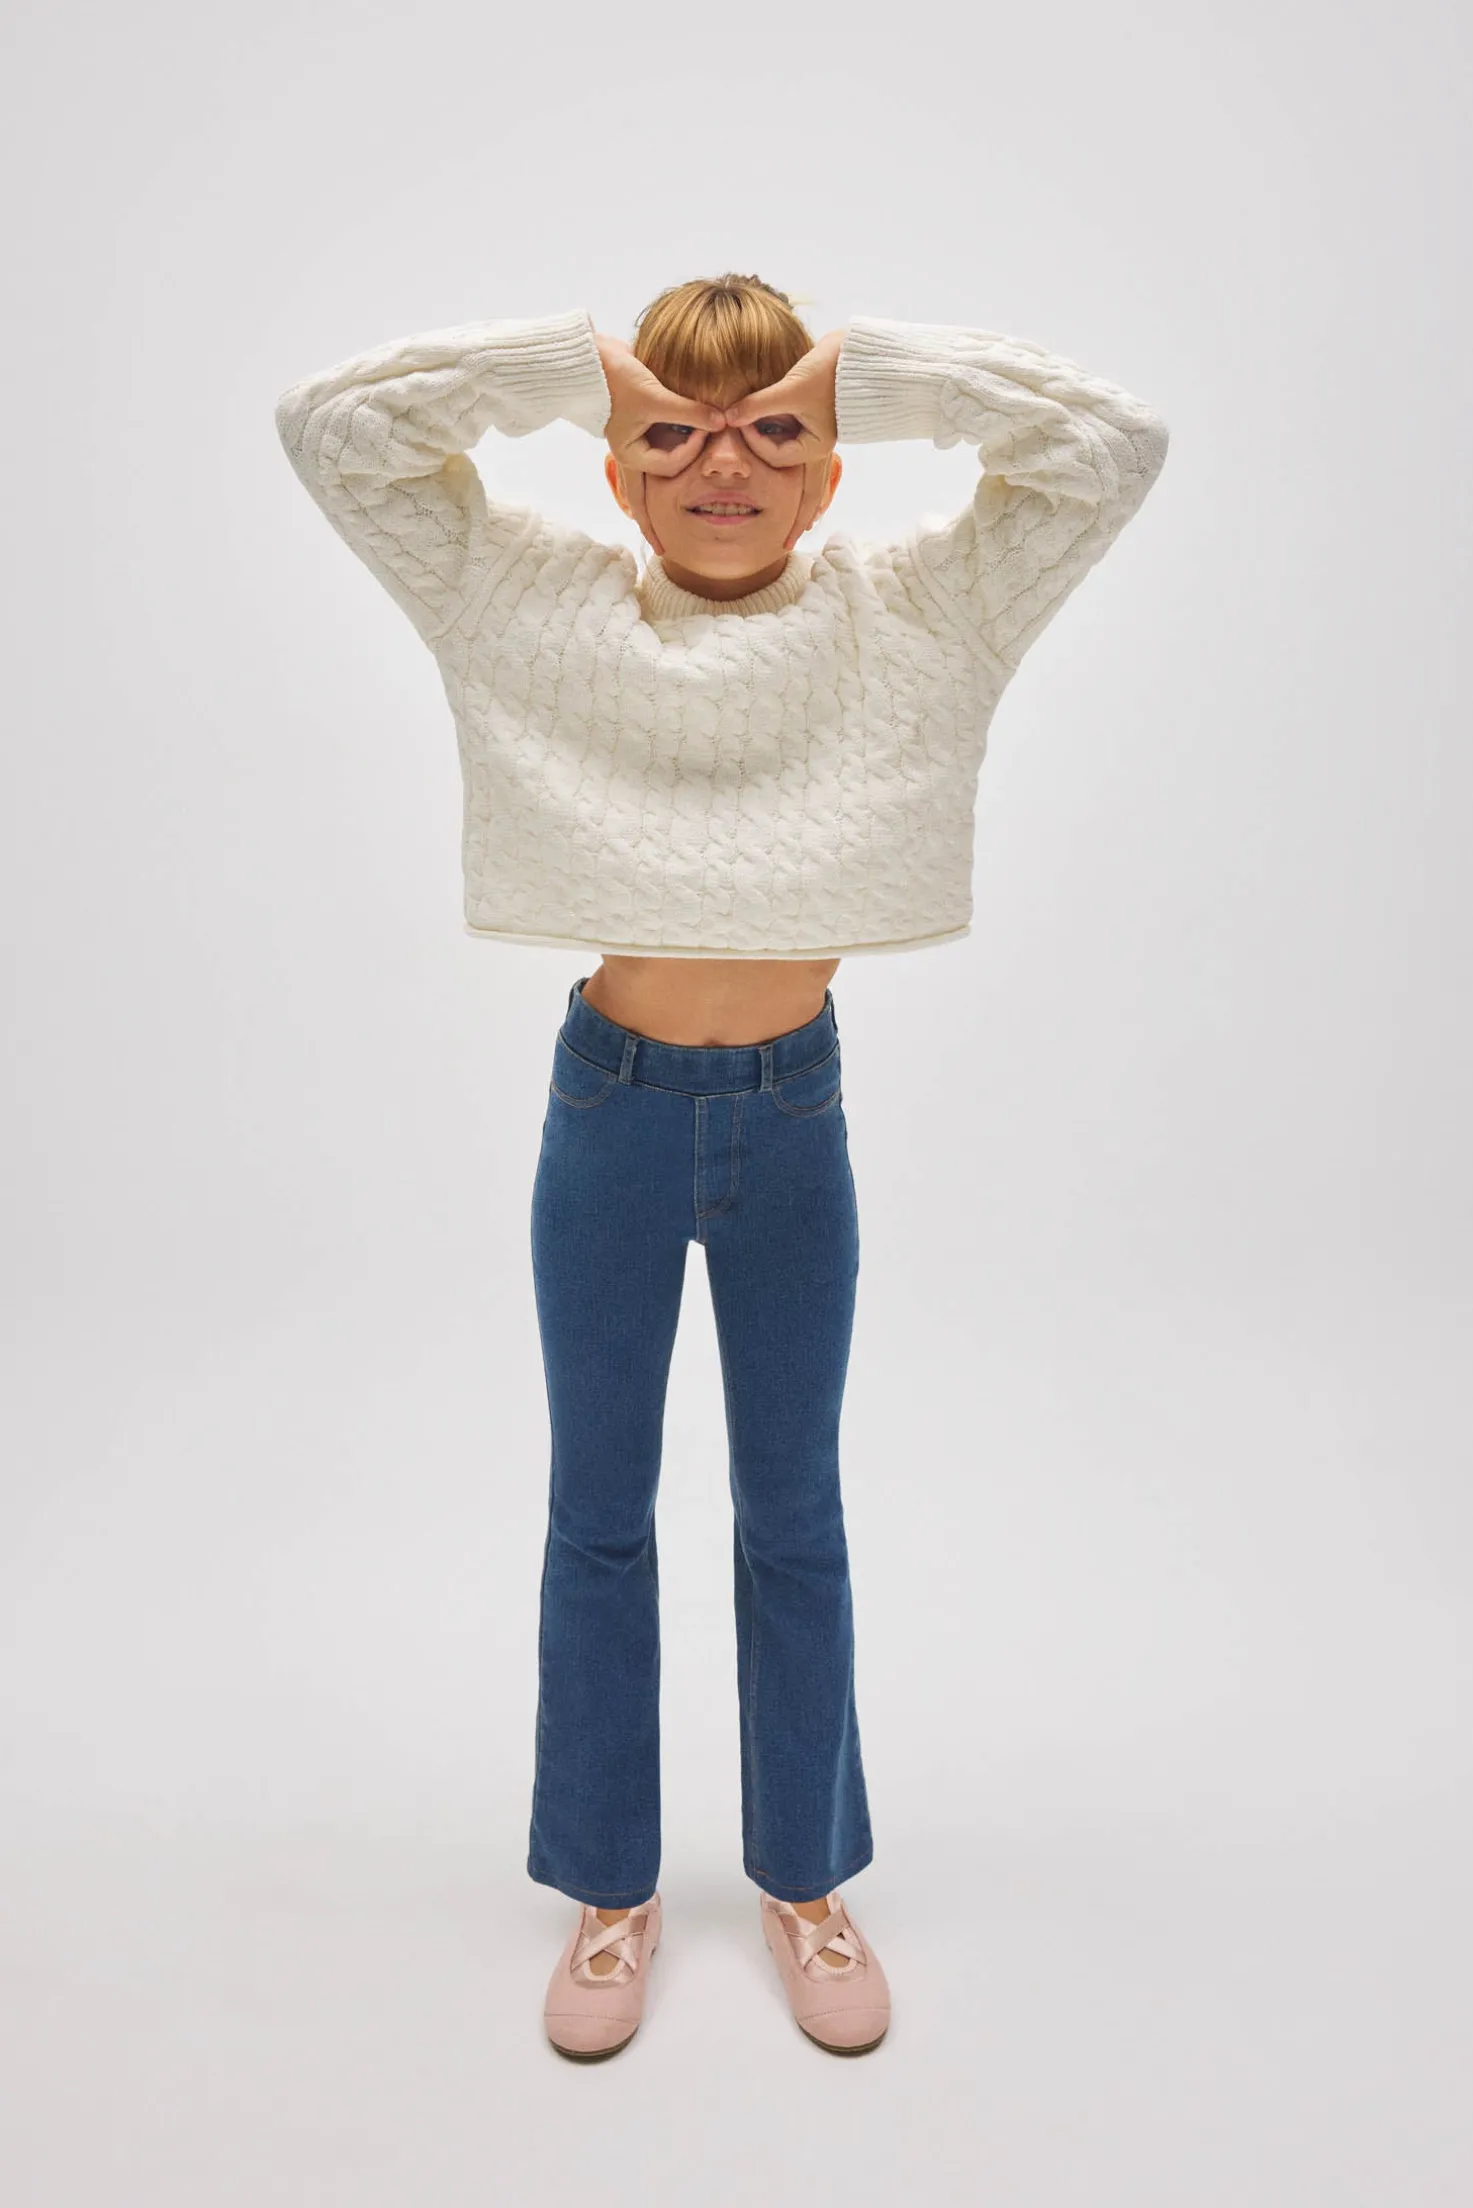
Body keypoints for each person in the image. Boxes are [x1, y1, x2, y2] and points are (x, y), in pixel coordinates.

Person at [274, 273, 1170, 2061]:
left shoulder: (920, 613)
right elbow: (334, 435)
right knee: (598, 1515)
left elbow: (1110, 449)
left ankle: (803, 1879)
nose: (723, 465)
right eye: (671, 436)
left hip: (792, 1124)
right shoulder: (530, 600)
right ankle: (611, 1892)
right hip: (609, 1116)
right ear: (616, 470)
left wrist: (872, 370)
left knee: (794, 1514)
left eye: (775, 431)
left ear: (834, 468)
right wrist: (568, 366)